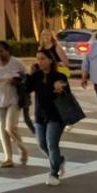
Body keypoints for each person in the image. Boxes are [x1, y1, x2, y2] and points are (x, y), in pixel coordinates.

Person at [29, 48, 70, 185]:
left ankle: (54, 173)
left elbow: (67, 95)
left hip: (56, 116)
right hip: (40, 115)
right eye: (38, 59)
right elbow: (26, 89)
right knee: (41, 143)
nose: (39, 61)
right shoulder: (36, 76)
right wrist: (26, 77)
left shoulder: (59, 77)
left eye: (42, 59)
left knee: (52, 144)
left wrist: (60, 89)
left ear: (50, 60)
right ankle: (59, 160)